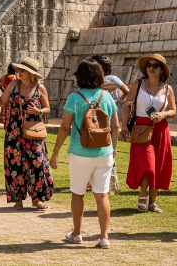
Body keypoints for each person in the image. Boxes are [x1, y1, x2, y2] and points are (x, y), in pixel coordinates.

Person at [51, 59, 120, 249]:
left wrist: (55, 152)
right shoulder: (107, 96)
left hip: (80, 151)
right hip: (104, 152)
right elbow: (116, 126)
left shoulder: (75, 98)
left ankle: (77, 233)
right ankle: (104, 237)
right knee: (102, 195)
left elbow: (65, 127)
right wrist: (113, 148)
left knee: (78, 193)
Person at [0, 57, 54, 211]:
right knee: (16, 165)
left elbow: (47, 108)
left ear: (30, 73)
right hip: (14, 131)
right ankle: (18, 199)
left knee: (37, 163)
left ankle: (38, 199)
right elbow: (0, 102)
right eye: (18, 69)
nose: (19, 72)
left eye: (22, 70)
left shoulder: (40, 88)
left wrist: (38, 111)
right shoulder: (13, 85)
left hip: (33, 130)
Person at [120, 54, 176, 213]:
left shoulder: (168, 89)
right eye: (149, 65)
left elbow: (173, 110)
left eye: (155, 66)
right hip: (140, 128)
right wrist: (124, 126)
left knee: (158, 166)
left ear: (162, 70)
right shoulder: (138, 84)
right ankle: (142, 196)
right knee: (148, 164)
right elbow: (127, 106)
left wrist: (163, 114)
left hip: (160, 128)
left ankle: (152, 203)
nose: (151, 68)